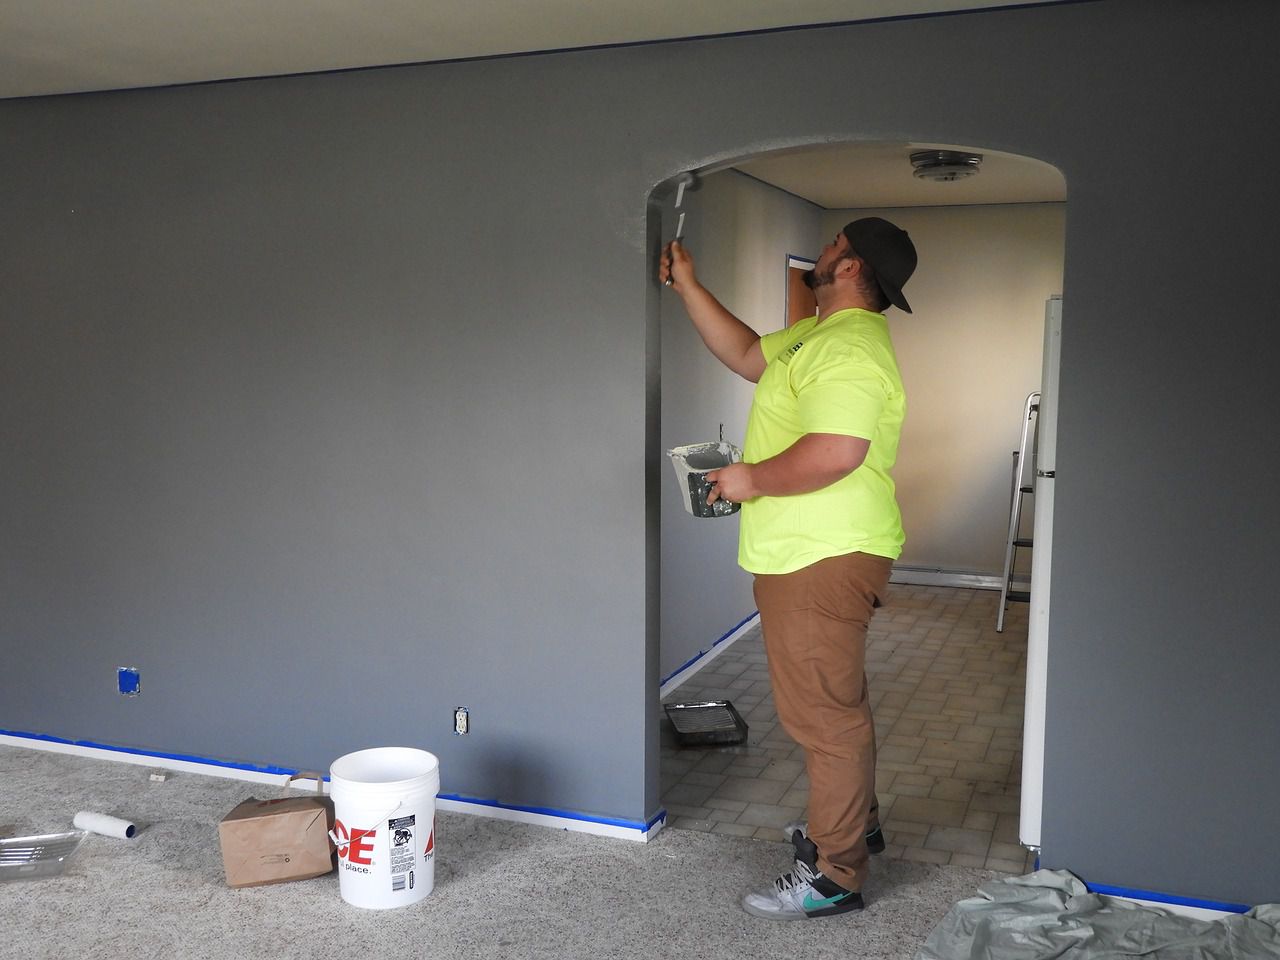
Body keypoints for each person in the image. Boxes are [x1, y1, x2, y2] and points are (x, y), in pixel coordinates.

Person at [659, 217, 917, 920]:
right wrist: (689, 285)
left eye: (835, 242)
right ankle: (854, 823)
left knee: (822, 720)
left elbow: (839, 451)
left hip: (820, 554)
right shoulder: (817, 335)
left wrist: (750, 480)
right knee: (839, 702)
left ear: (851, 266)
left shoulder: (853, 349)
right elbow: (745, 352)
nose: (825, 248)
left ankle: (835, 874)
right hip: (808, 552)